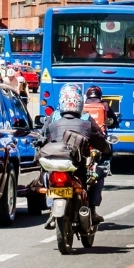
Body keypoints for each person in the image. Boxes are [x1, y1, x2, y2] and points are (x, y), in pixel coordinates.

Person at [41, 84, 112, 224]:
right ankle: (92, 209)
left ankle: (52, 208)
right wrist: (106, 149)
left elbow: (42, 136)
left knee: (45, 175)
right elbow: (100, 140)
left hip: (55, 163)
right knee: (98, 173)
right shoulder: (86, 121)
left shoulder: (53, 121)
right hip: (77, 165)